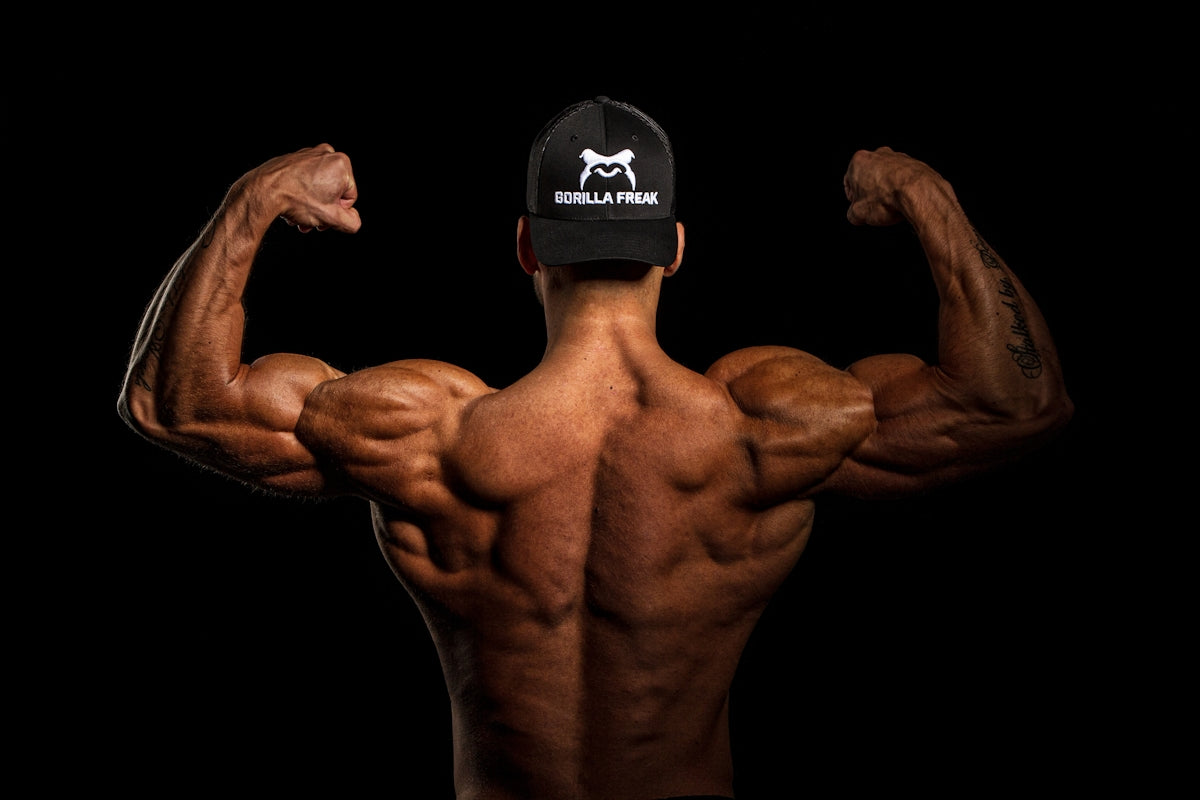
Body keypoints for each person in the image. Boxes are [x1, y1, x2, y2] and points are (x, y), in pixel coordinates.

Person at [118, 96, 1072, 800]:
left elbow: (176, 403)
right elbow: (1013, 404)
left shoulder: (429, 438)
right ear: (676, 248)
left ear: (529, 246)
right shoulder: (763, 430)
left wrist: (252, 203)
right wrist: (929, 199)